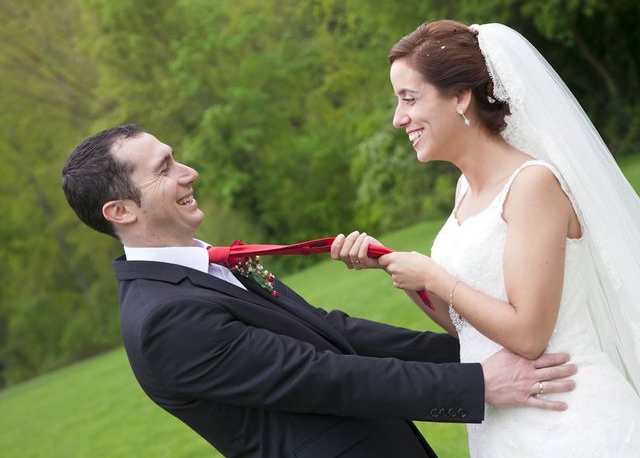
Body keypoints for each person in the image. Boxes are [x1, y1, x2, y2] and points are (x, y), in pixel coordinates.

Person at [61, 124, 577, 458]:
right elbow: (322, 375)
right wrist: (476, 383)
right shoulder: (164, 321)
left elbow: (332, 333)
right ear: (121, 211)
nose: (189, 172)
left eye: (175, 158)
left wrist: (480, 349)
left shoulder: (207, 265)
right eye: (164, 169)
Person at [332, 20, 640, 457]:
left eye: (409, 99)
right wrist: (399, 270)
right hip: (505, 425)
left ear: (460, 97)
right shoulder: (465, 190)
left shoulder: (532, 185)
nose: (398, 118)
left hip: (570, 423)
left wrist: (434, 277)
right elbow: (470, 327)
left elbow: (529, 335)